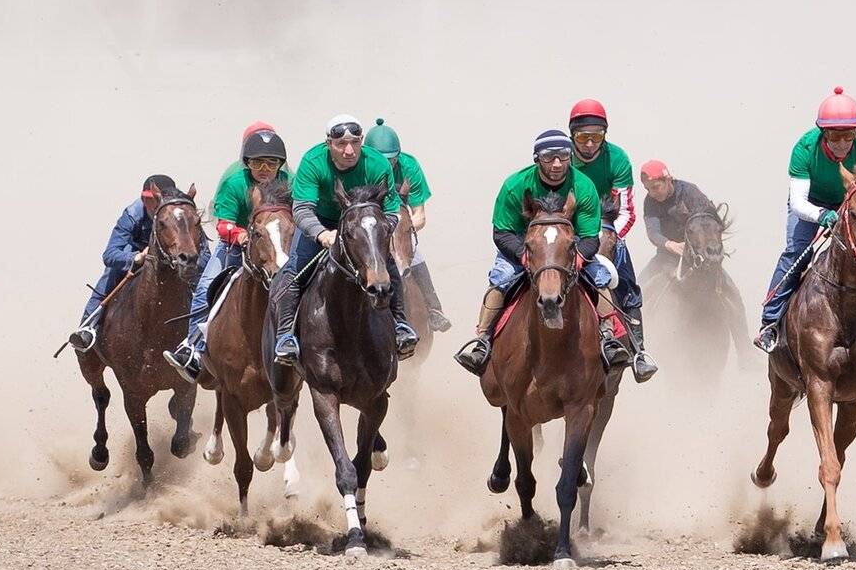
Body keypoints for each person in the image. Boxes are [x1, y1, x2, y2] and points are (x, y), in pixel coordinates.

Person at [453, 129, 630, 376]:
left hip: (568, 246)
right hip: (523, 246)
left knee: (601, 277)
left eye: (563, 156)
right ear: (537, 159)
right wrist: (524, 256)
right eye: (548, 157)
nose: (557, 164)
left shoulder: (584, 186)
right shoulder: (515, 185)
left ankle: (610, 339)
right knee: (500, 280)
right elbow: (501, 233)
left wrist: (577, 258)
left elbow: (590, 237)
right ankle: (482, 341)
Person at [754, 87, 856, 354]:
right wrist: (823, 215)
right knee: (796, 253)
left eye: (848, 135)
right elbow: (798, 203)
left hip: (852, 204)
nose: (842, 143)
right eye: (834, 135)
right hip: (811, 205)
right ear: (822, 133)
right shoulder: (804, 149)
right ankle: (770, 323)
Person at [267, 114, 418, 366]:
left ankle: (401, 325)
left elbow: (392, 211)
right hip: (322, 224)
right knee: (294, 271)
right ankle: (286, 338)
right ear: (329, 144)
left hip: (365, 224)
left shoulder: (378, 164)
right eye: (341, 145)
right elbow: (302, 209)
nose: (349, 151)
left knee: (388, 267)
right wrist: (322, 234)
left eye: (355, 143)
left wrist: (377, 230)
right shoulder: (313, 162)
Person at [163, 122, 291, 380]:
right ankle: (193, 349)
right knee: (205, 287)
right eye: (257, 164)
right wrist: (241, 234)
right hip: (235, 245)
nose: (265, 170)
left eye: (271, 164)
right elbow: (223, 223)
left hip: (277, 245)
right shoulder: (234, 182)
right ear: (247, 163)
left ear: (280, 165)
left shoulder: (290, 182)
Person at [568, 98, 656, 381]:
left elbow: (627, 212)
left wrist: (602, 237)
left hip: (606, 226)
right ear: (572, 135)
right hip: (565, 226)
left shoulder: (617, 158)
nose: (590, 143)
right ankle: (491, 338)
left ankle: (639, 351)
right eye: (583, 137)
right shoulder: (558, 157)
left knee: (628, 283)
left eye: (597, 136)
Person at [70, 174, 208, 352]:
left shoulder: (183, 214)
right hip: (138, 259)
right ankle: (88, 326)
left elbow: (205, 256)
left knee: (205, 282)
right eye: (146, 199)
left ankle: (208, 337)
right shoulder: (133, 214)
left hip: (175, 259)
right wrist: (134, 258)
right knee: (110, 274)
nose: (149, 205)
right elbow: (110, 254)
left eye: (153, 200)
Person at [365, 116, 451, 332]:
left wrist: (404, 229)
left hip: (399, 222)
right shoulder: (361, 166)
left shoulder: (409, 166)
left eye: (392, 159)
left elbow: (420, 214)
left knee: (416, 256)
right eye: (382, 159)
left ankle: (434, 309)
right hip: (368, 226)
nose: (388, 164)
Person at [637, 159, 718, 285]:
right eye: (647, 189)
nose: (652, 193)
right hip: (667, 257)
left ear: (668, 180)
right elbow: (653, 232)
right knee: (639, 284)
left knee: (730, 290)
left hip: (700, 255)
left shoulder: (690, 191)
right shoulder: (649, 202)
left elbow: (708, 220)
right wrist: (669, 244)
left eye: (655, 187)